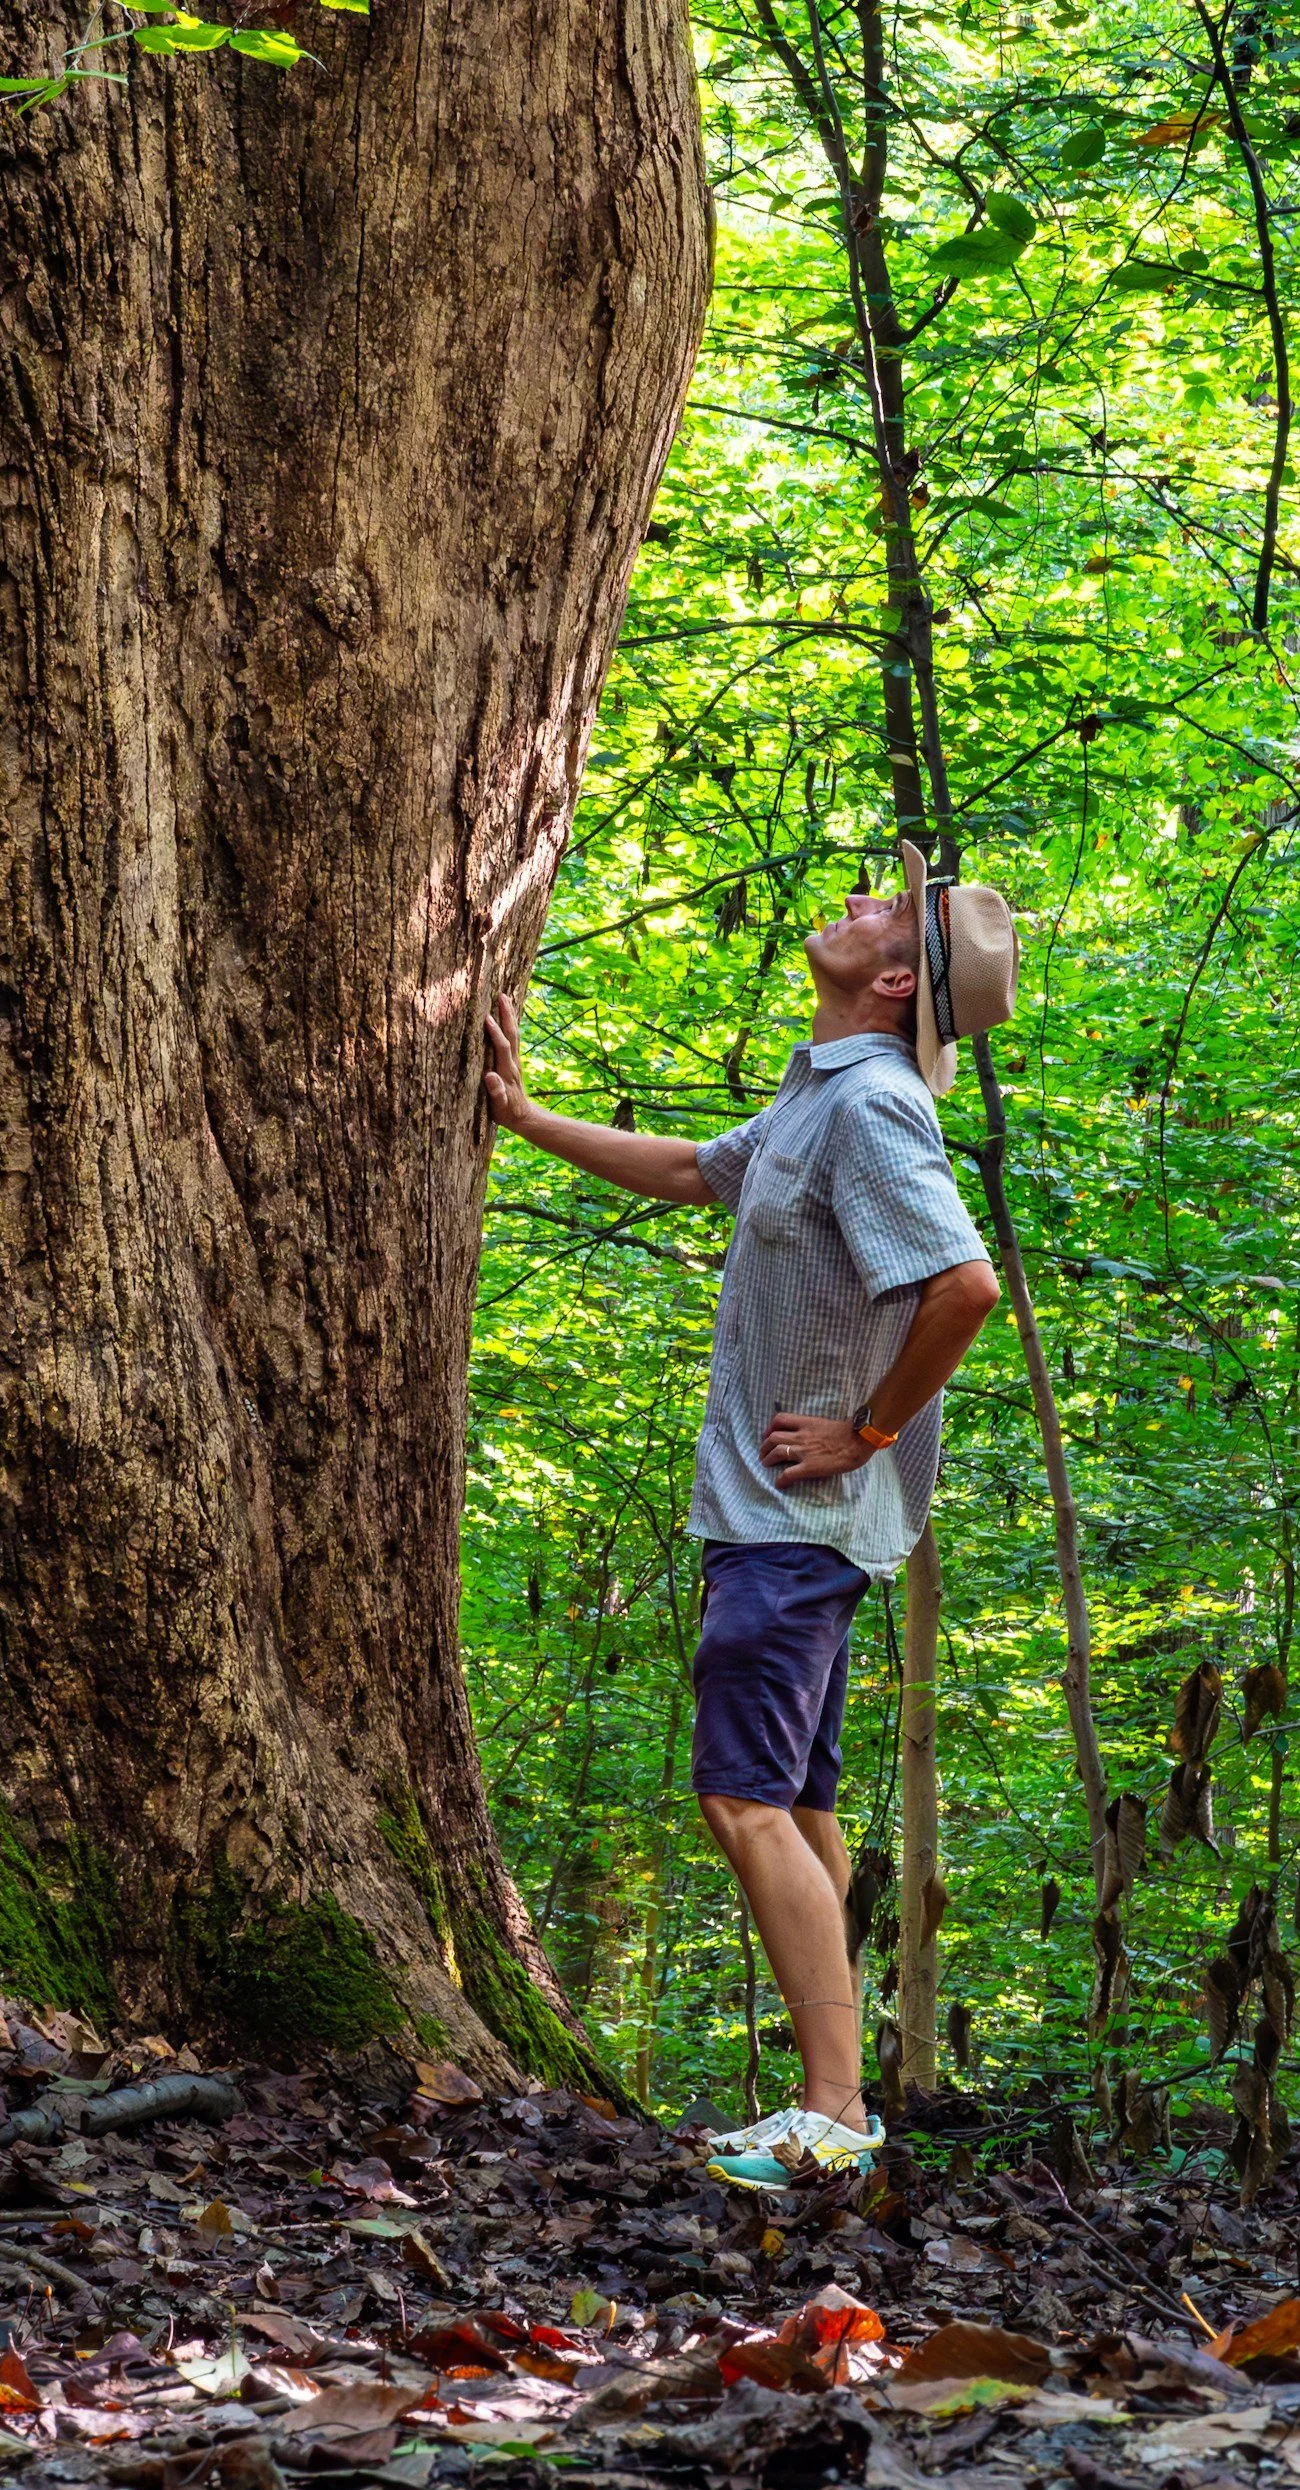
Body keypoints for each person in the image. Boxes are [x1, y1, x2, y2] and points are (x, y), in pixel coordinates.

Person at [482, 839, 1019, 2187]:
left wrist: (870, 1428)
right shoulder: (813, 1099)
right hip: (785, 1526)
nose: (858, 902)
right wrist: (528, 1119)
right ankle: (836, 2102)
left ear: (897, 980)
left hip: (797, 1524)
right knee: (801, 1805)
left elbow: (965, 1287)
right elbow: (687, 1172)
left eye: (887, 910)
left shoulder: (874, 1110)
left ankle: (833, 2119)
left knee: (741, 1804)